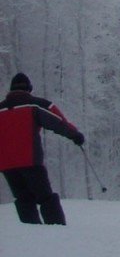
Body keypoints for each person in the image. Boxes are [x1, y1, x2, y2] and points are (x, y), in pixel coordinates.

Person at [0, 72, 85, 226]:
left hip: (6, 164)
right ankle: (56, 228)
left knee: (23, 198)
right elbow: (58, 123)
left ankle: (31, 230)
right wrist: (75, 135)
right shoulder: (35, 105)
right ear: (29, 89)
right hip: (30, 160)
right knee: (45, 196)